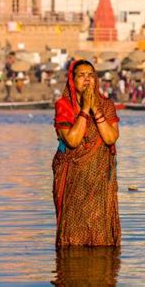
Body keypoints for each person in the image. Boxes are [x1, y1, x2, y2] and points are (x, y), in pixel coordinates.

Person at [52, 60, 121, 247]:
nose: (87, 79)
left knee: (100, 231)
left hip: (99, 178)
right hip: (74, 178)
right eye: (81, 75)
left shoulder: (106, 105)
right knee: (74, 231)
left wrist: (95, 109)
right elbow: (73, 140)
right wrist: (84, 110)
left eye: (91, 75)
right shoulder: (64, 106)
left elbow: (110, 138)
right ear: (73, 80)